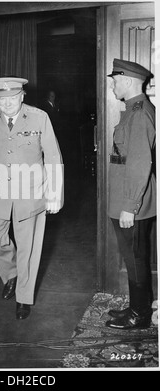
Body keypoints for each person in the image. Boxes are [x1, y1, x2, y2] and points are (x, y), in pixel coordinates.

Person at [0, 77, 64, 320]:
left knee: (28, 248)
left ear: (22, 95)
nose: (7, 104)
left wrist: (53, 195)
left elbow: (53, 157)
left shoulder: (39, 117)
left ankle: (23, 298)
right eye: (2, 99)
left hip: (30, 192)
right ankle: (11, 273)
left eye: (12, 98)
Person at [105, 58, 155, 329]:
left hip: (132, 203)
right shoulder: (133, 109)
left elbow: (138, 163)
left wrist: (130, 206)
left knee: (135, 258)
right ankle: (138, 307)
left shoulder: (139, 112)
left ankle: (140, 316)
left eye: (115, 80)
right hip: (127, 199)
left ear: (128, 80)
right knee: (133, 257)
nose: (113, 85)